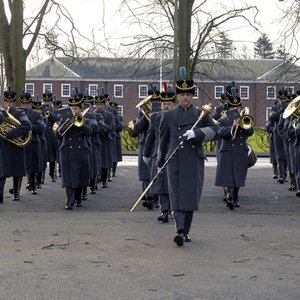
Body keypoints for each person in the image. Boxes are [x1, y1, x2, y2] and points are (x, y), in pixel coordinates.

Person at [156, 73, 219, 246]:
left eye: (188, 95)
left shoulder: (201, 114)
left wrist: (197, 133)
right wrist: (159, 163)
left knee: (189, 198)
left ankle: (186, 230)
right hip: (174, 160)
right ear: (177, 96)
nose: (185, 97)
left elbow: (216, 131)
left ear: (192, 96)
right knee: (176, 197)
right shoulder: (168, 116)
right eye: (182, 94)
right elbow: (163, 141)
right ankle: (180, 231)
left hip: (193, 160)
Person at [215, 83, 254, 210]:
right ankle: (230, 197)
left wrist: (242, 125)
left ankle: (235, 196)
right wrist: (232, 125)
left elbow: (250, 132)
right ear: (229, 107)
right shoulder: (223, 120)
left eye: (238, 107)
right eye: (233, 107)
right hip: (227, 150)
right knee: (229, 176)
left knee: (238, 175)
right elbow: (220, 133)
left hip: (240, 150)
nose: (236, 109)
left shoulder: (244, 119)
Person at [143, 89, 176, 223]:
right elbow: (150, 137)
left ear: (173, 105)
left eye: (169, 104)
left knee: (173, 185)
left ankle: (173, 209)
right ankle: (164, 211)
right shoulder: (155, 117)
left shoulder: (177, 116)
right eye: (164, 104)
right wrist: (146, 154)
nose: (166, 106)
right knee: (161, 185)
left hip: (174, 154)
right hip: (159, 154)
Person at [56, 92, 93, 210]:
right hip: (67, 151)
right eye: (71, 109)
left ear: (80, 110)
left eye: (76, 109)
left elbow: (89, 132)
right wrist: (67, 124)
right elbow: (58, 135)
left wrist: (79, 124)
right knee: (68, 178)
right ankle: (69, 201)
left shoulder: (85, 119)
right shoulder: (64, 120)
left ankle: (78, 198)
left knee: (80, 177)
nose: (73, 111)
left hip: (81, 151)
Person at [0, 87, 32, 202]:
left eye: (11, 101)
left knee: (17, 171)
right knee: (1, 172)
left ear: (14, 101)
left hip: (15, 145)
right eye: (7, 101)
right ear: (4, 101)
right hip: (3, 146)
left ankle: (16, 192)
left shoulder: (20, 113)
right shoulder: (1, 113)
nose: (9, 103)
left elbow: (27, 126)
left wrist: (12, 133)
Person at [19, 92, 44, 195]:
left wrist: (28, 126)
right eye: (23, 103)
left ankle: (32, 184)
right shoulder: (16, 114)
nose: (25, 105)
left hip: (33, 142)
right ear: (21, 103)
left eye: (27, 103)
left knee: (33, 166)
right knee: (19, 167)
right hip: (19, 142)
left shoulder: (36, 114)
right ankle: (17, 190)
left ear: (30, 103)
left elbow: (41, 128)